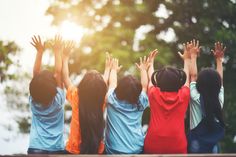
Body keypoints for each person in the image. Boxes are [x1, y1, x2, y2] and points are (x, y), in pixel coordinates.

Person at [62, 41, 107, 154]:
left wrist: (65, 57)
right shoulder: (101, 100)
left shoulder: (76, 96)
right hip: (97, 151)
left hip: (73, 151)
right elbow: (103, 86)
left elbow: (65, 78)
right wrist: (108, 69)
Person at [144, 45, 191, 154]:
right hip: (177, 146)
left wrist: (151, 63)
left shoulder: (153, 94)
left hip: (153, 145)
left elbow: (151, 78)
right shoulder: (184, 95)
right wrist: (186, 60)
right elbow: (187, 79)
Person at [28, 35, 66, 154]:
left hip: (35, 148)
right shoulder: (58, 100)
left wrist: (40, 52)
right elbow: (58, 72)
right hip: (56, 149)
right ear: (53, 87)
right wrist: (57, 51)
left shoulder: (33, 101)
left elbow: (35, 73)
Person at [104, 55, 149, 154]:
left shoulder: (111, 99)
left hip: (113, 150)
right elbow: (145, 86)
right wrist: (143, 70)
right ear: (138, 91)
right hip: (136, 149)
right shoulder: (141, 101)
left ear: (119, 89)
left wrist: (114, 70)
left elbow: (112, 83)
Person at [188, 40, 226, 153]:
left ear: (199, 84)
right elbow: (221, 81)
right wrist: (219, 60)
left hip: (196, 146)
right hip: (213, 147)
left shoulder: (195, 98)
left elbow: (193, 76)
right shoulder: (219, 99)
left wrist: (193, 56)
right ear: (218, 85)